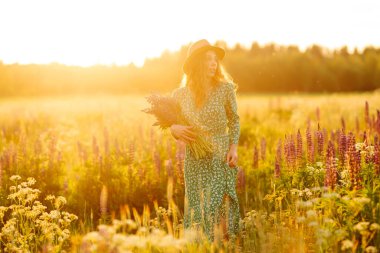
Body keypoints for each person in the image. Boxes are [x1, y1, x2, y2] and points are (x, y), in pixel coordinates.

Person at [170, 39, 241, 242]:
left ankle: (223, 245)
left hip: (220, 157)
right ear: (197, 64)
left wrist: (233, 148)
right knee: (198, 211)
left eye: (215, 60)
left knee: (217, 207)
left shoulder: (225, 89)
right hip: (195, 161)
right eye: (208, 59)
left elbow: (234, 120)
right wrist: (174, 129)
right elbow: (170, 125)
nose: (214, 64)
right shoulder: (180, 95)